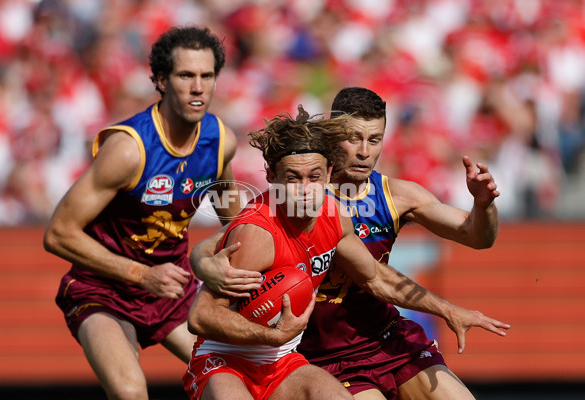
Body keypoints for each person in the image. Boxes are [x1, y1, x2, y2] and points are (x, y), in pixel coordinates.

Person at [183, 105, 510, 400]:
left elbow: (375, 277)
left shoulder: (334, 214)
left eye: (314, 177)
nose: (305, 189)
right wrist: (270, 334)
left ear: (328, 174)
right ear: (272, 178)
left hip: (284, 359)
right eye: (292, 179)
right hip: (226, 360)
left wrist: (446, 309)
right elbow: (200, 316)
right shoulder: (257, 234)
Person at [43, 26, 259, 400]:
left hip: (172, 289)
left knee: (238, 387)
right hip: (103, 289)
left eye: (207, 76)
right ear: (161, 79)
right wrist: (140, 274)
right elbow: (58, 233)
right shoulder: (129, 149)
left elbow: (228, 205)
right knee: (130, 391)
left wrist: (252, 255)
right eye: (186, 75)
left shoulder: (220, 139)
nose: (198, 87)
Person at [296, 86, 501, 400]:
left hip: (387, 338)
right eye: (354, 138)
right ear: (332, 134)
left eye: (374, 140)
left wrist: (483, 206)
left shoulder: (398, 196)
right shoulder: (305, 198)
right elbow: (375, 279)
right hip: (328, 358)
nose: (364, 151)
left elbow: (477, 237)